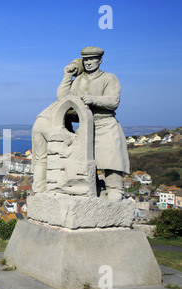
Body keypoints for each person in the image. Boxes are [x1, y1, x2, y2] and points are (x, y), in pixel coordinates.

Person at [32, 46, 129, 202]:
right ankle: (95, 186)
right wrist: (66, 77)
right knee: (85, 161)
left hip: (105, 124)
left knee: (111, 159)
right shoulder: (79, 79)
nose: (89, 62)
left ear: (100, 60)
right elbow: (63, 98)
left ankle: (114, 188)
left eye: (92, 59)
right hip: (85, 126)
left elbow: (113, 101)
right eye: (86, 59)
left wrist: (93, 99)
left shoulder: (109, 78)